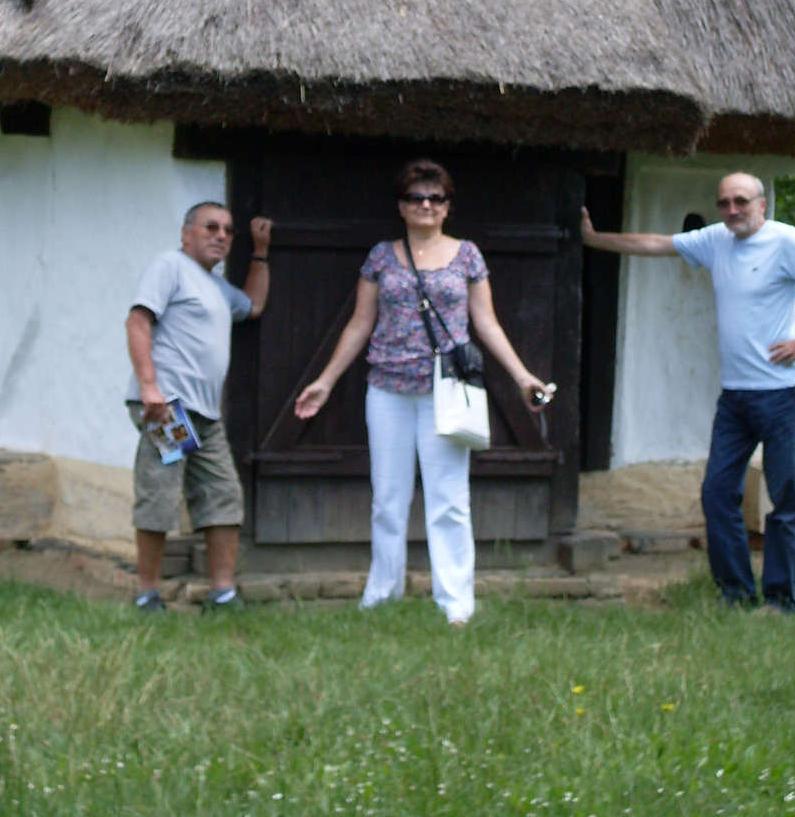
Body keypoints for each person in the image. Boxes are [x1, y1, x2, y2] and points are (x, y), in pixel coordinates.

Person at [581, 171, 795, 612]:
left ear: (762, 204)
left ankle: (781, 599)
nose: (732, 210)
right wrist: (594, 239)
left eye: (741, 202)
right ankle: (735, 592)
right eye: (725, 203)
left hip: (781, 394)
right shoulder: (716, 240)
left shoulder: (786, 241)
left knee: (785, 498)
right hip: (735, 396)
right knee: (716, 493)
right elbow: (656, 244)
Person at [294, 159, 549, 625]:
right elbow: (359, 323)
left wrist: (521, 376)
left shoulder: (468, 256)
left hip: (447, 391)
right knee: (387, 497)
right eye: (416, 197)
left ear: (448, 206)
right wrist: (326, 380)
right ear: (401, 205)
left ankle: (456, 604)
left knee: (449, 499)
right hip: (387, 388)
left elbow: (486, 322)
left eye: (436, 198)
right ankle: (382, 594)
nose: (426, 205)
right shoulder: (381, 256)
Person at [126, 201, 272, 614]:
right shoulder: (169, 266)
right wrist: (150, 387)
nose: (221, 236)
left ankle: (222, 593)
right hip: (169, 408)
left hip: (205, 416)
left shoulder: (217, 287)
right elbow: (138, 321)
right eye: (211, 227)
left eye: (227, 230)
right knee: (161, 494)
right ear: (186, 233)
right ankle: (147, 595)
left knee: (223, 494)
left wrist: (260, 250)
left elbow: (254, 305)